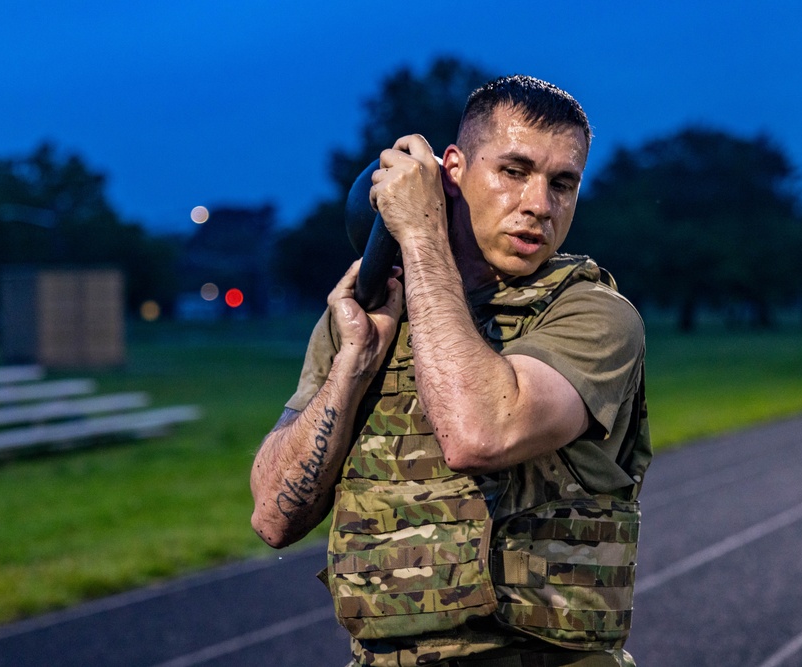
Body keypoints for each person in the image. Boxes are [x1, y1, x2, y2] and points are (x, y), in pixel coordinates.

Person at [251, 75, 651, 667]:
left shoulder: (593, 315)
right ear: (454, 171)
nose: (540, 204)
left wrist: (419, 233)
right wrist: (353, 364)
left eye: (562, 182)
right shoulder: (369, 316)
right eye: (514, 172)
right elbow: (273, 516)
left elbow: (479, 432)